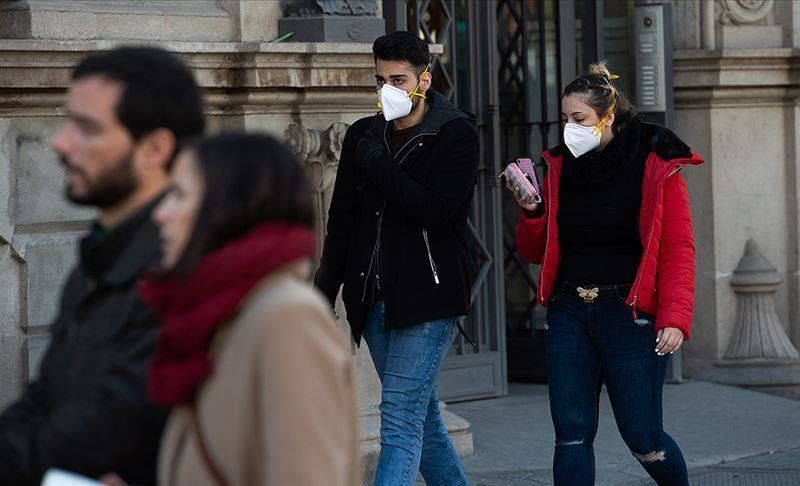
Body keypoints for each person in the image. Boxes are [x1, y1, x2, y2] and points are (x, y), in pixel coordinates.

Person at [0, 46, 205, 484]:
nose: (61, 142)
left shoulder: (187, 270)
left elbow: (112, 423)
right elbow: (47, 394)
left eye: (87, 128)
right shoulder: (99, 256)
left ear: (155, 147)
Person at [510, 62, 701, 486]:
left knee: (644, 437)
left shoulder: (656, 163)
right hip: (569, 312)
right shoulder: (561, 166)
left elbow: (678, 247)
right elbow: (532, 252)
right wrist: (532, 212)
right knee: (571, 437)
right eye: (565, 119)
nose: (569, 128)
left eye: (578, 119)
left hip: (628, 314)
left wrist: (674, 317)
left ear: (608, 116)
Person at [141, 132, 360, 486]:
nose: (161, 214)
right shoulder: (217, 314)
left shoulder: (288, 319)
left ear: (227, 210)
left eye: (178, 195)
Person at [315, 30, 478, 486]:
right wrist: (325, 291)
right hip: (374, 298)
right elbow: (342, 218)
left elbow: (435, 210)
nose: (389, 88)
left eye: (399, 79)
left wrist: (379, 166)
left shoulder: (456, 133)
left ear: (424, 79)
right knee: (420, 421)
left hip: (428, 297)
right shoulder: (364, 134)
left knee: (400, 420)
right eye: (381, 78)